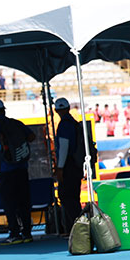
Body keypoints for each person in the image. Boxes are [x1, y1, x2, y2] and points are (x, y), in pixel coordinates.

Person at [0, 99, 36, 244]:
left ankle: (14, 233)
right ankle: (27, 233)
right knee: (24, 201)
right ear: (4, 110)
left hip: (5, 170)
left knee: (9, 203)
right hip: (22, 169)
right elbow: (32, 137)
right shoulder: (16, 123)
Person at [53, 97, 85, 233]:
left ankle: (78, 226)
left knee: (66, 196)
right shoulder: (73, 123)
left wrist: (60, 168)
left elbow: (64, 147)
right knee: (74, 196)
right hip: (76, 165)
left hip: (68, 165)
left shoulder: (64, 125)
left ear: (56, 110)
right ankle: (79, 226)